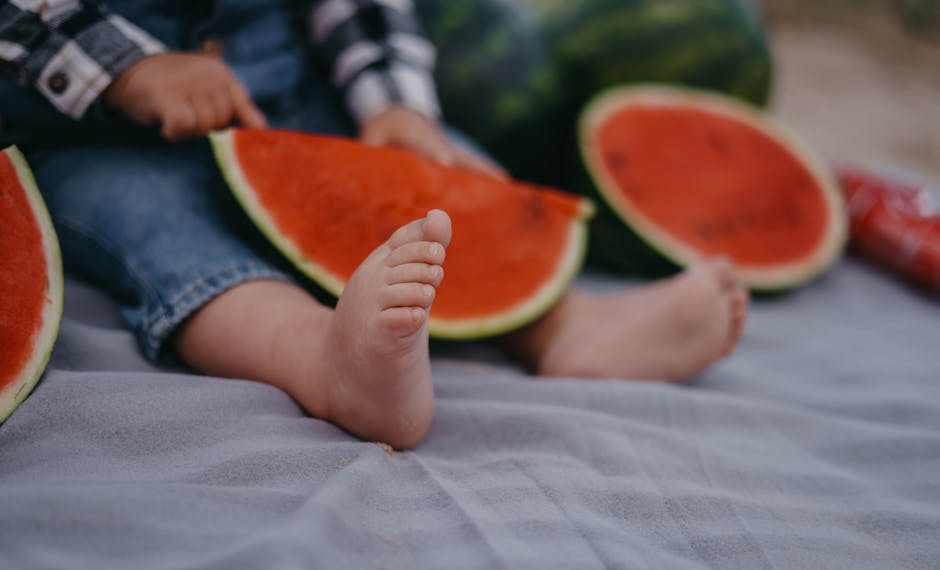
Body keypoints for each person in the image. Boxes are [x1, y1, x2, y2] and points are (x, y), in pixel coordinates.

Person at [0, 0, 748, 449]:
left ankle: (564, 324)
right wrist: (127, 68)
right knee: (162, 234)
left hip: (291, 93)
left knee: (443, 169)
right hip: (94, 133)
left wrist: (395, 103)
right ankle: (320, 358)